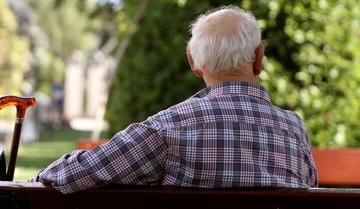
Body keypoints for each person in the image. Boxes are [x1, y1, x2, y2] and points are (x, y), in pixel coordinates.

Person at [30, 6, 318, 194]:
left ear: (193, 63)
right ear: (259, 58)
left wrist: (33, 179)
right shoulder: (294, 130)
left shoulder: (168, 128)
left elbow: (72, 174)